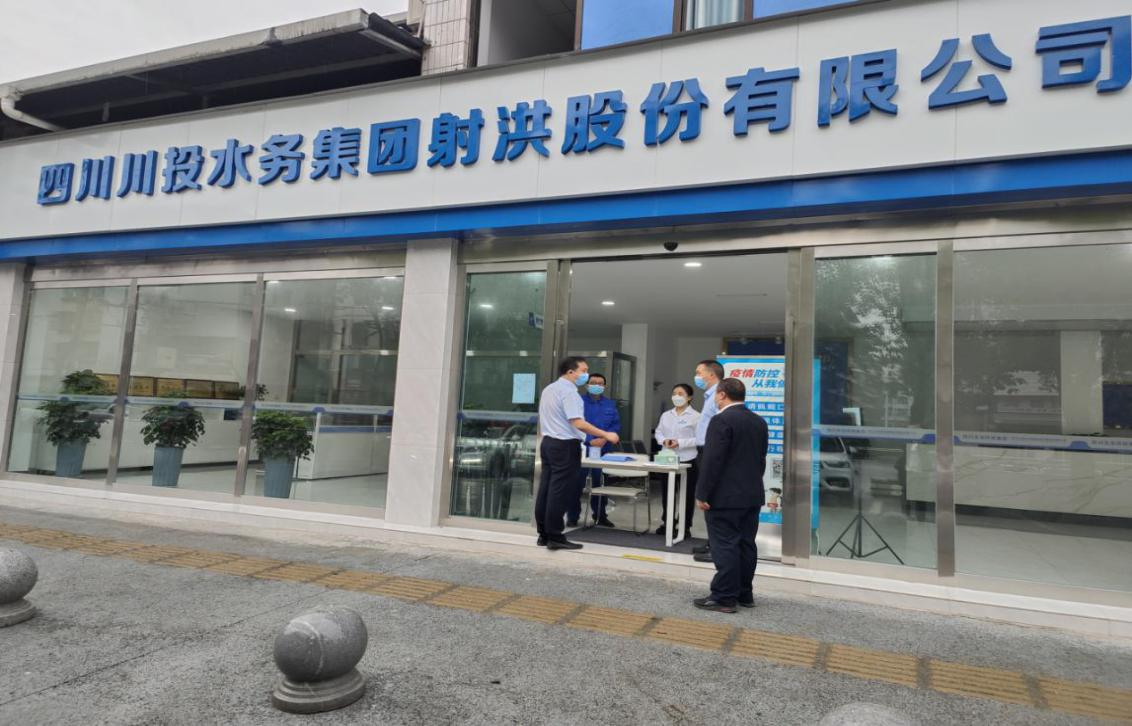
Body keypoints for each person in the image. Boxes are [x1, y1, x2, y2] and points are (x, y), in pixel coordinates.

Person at [692, 378, 768, 613]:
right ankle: (744, 593)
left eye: (717, 394)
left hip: (725, 496)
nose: (715, 398)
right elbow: (761, 459)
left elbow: (712, 460)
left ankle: (724, 596)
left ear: (722, 395)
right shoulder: (758, 421)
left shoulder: (721, 420)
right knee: (746, 544)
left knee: (725, 545)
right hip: (752, 494)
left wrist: (702, 493)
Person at [535, 357, 621, 550]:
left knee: (546, 489)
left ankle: (544, 534)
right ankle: (555, 536)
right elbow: (578, 422)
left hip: (548, 443)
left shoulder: (549, 389)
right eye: (584, 370)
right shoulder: (569, 392)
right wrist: (606, 434)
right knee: (559, 492)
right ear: (570, 372)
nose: (586, 375)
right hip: (564, 445)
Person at [568, 373, 620, 528]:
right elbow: (574, 423)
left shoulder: (610, 404)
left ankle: (600, 515)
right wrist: (590, 439)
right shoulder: (579, 401)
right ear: (587, 385)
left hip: (603, 450)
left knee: (600, 484)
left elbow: (616, 425)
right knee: (576, 484)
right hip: (582, 449)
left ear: (604, 386)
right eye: (593, 382)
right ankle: (572, 516)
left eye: (600, 383)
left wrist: (604, 438)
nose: (596, 385)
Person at [654, 383, 700, 539]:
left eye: (680, 394)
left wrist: (680, 442)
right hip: (667, 459)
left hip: (688, 459)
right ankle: (667, 523)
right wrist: (664, 440)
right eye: (674, 393)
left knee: (687, 495)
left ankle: (685, 526)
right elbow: (658, 432)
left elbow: (699, 439)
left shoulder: (696, 416)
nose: (676, 396)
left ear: (689, 397)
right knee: (667, 493)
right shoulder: (666, 415)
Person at [691, 359, 725, 562]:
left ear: (711, 375)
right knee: (707, 497)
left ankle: (717, 547)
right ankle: (712, 541)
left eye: (699, 372)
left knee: (712, 497)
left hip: (711, 451)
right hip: (704, 450)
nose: (696, 376)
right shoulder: (710, 395)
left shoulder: (719, 396)